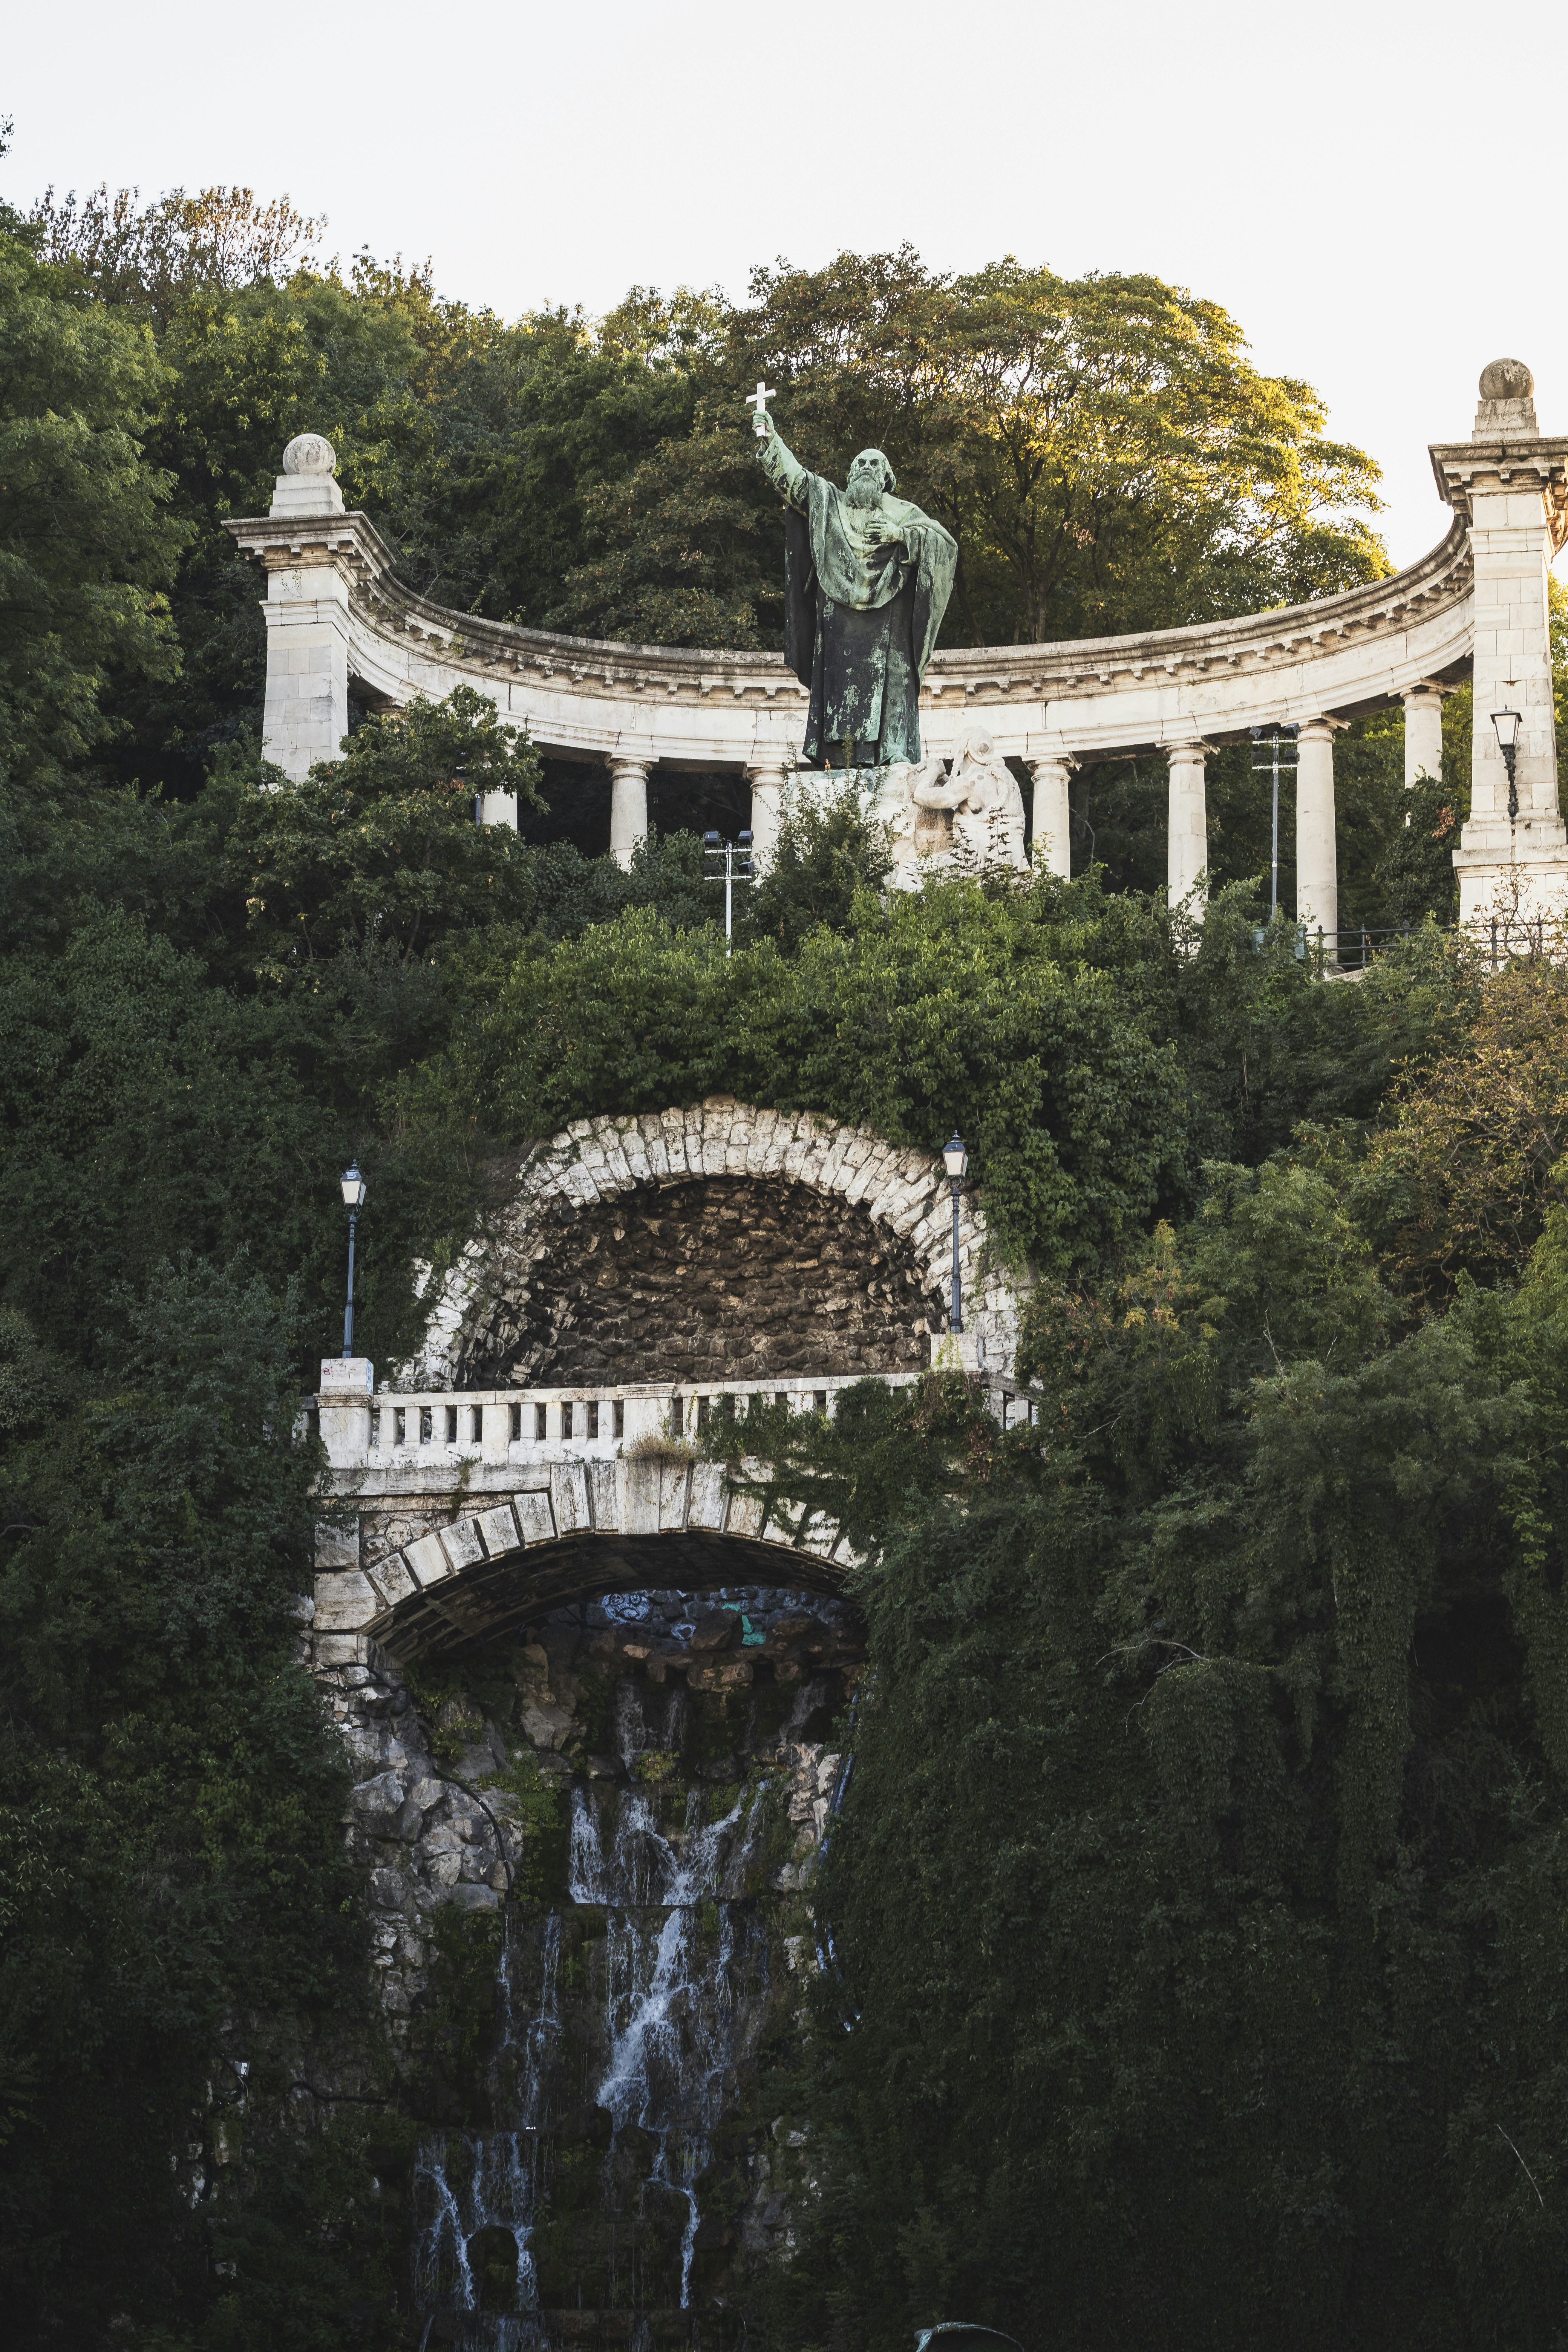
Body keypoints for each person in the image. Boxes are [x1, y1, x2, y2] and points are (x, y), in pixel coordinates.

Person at [755, 412, 957, 771]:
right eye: (860, 463)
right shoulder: (829, 502)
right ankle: (838, 755)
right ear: (851, 475)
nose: (866, 467)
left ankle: (893, 749)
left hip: (890, 614)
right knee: (837, 682)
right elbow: (797, 481)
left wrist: (902, 536)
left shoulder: (905, 512)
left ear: (886, 477)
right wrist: (772, 440)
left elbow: (945, 546)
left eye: (874, 463)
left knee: (896, 674)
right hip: (838, 616)